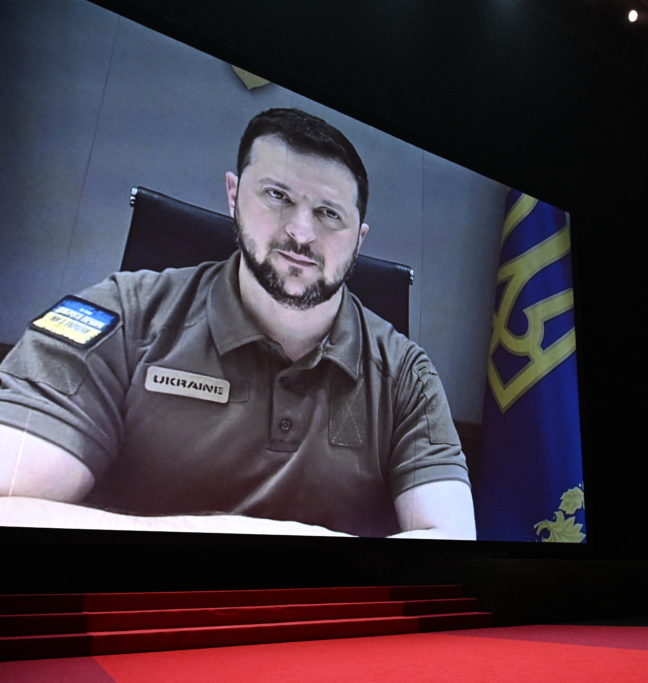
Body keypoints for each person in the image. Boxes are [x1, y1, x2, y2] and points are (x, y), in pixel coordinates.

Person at [0, 108, 475, 540]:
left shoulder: (406, 373)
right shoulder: (123, 316)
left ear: (359, 238)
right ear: (233, 195)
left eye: (329, 213)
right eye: (277, 196)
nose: (300, 232)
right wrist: (252, 540)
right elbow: (10, 506)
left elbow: (450, 538)